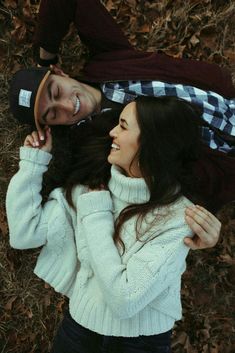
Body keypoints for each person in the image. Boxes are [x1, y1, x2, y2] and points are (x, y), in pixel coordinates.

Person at [6, 96, 221, 353]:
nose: (112, 132)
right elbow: (23, 235)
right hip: (78, 331)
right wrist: (31, 166)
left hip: (141, 343)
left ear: (153, 140)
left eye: (123, 125)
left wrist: (96, 217)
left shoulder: (178, 217)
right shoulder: (89, 187)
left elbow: (125, 299)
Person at [9, 0, 235, 213]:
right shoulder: (89, 149)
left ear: (60, 73)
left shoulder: (109, 59)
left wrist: (45, 57)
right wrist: (35, 161)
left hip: (227, 100)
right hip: (223, 156)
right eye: (53, 114)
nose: (68, 105)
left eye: (56, 91)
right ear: (50, 126)